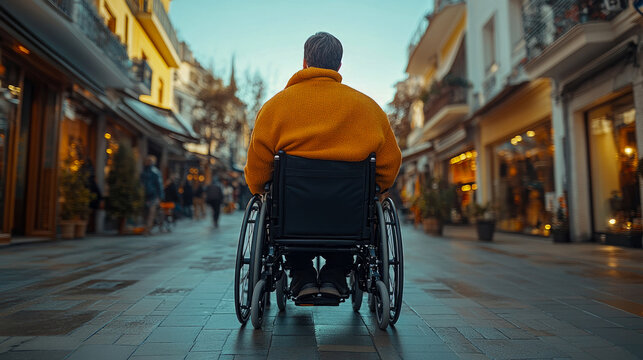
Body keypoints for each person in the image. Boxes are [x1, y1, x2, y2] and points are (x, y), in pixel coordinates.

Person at [244, 32, 402, 299]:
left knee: (278, 211)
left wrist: (260, 189)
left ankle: (302, 274)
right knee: (359, 219)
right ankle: (336, 274)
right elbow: (389, 166)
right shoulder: (369, 109)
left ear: (305, 62)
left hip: (292, 219)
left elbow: (258, 173)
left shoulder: (274, 108)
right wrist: (377, 189)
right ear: (339, 66)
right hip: (349, 219)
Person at [141, 155, 164, 235]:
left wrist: (160, 196)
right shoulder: (144, 172)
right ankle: (147, 228)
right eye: (147, 160)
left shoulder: (155, 172)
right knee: (146, 213)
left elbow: (159, 184)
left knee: (151, 213)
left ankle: (147, 229)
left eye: (150, 161)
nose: (148, 162)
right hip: (145, 196)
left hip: (153, 196)